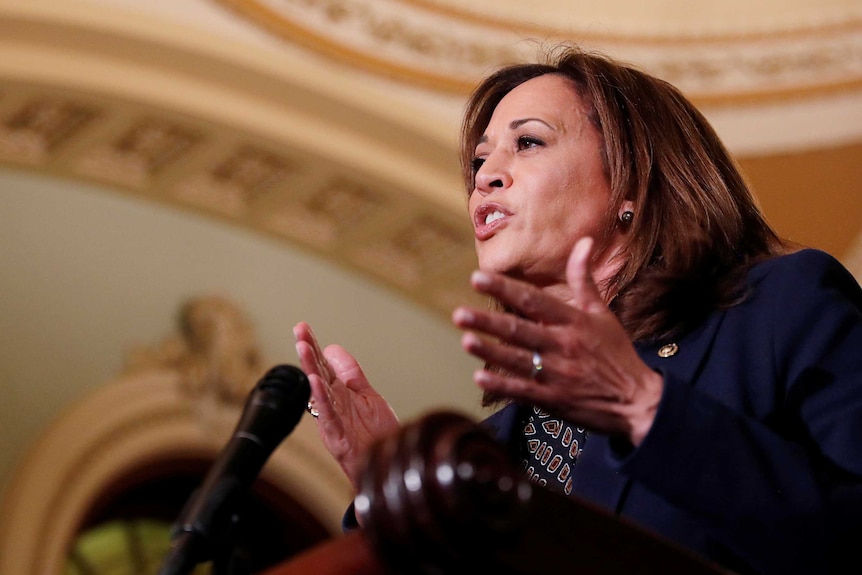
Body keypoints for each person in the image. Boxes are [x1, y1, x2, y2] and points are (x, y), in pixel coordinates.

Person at [293, 44, 862, 574]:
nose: (484, 176)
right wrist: (396, 499)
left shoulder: (780, 308)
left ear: (630, 181)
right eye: (479, 160)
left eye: (529, 142)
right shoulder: (487, 453)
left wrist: (646, 408)